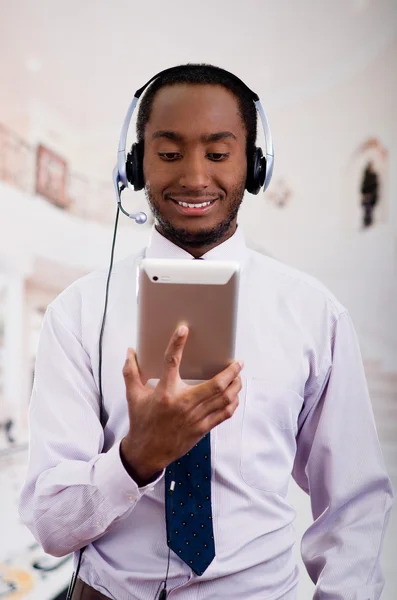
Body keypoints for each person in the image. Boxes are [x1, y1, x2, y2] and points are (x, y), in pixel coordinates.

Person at [19, 64, 393, 600]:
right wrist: (135, 459)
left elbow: (353, 506)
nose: (195, 177)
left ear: (254, 166)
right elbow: (51, 526)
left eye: (218, 153)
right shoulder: (75, 313)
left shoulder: (315, 314)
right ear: (136, 165)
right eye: (169, 154)